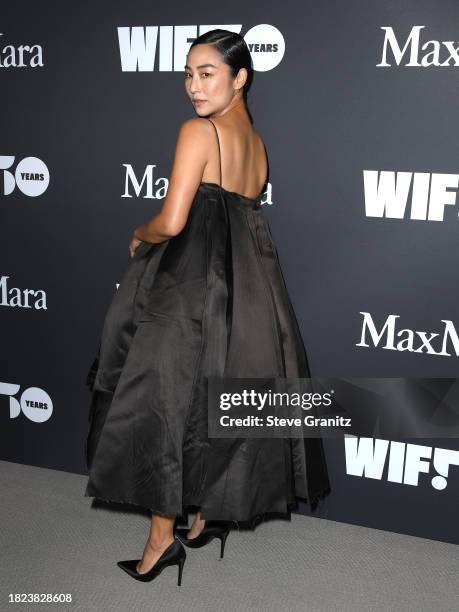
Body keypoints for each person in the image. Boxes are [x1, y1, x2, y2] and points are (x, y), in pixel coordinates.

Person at [84, 29, 331, 585]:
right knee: (213, 398)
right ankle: (203, 518)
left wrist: (139, 233)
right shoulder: (259, 147)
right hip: (246, 291)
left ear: (240, 77)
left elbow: (174, 221)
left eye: (207, 73)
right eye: (189, 74)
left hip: (191, 285)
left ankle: (159, 543)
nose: (193, 87)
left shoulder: (199, 132)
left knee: (168, 403)